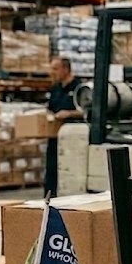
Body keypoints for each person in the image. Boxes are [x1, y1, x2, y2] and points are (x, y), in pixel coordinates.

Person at [45, 56, 83, 197]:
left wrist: (69, 113)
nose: (52, 72)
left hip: (73, 139)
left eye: (55, 69)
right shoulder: (56, 88)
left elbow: (87, 111)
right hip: (55, 136)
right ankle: (49, 200)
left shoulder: (79, 88)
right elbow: (50, 109)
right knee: (52, 170)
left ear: (66, 69)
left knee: (69, 171)